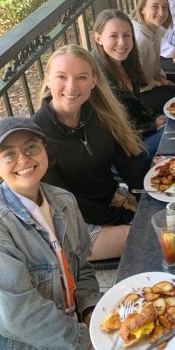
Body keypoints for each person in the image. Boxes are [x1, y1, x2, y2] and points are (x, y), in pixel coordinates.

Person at [0, 116, 102, 350]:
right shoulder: (0, 228)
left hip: (76, 326)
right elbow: (22, 317)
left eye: (31, 146)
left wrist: (91, 312)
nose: (23, 159)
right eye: (9, 154)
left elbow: (84, 271)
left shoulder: (64, 201)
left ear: (45, 149)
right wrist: (87, 341)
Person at [33, 44, 146, 261]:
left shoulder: (101, 113)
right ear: (48, 80)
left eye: (82, 77)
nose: (71, 86)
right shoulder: (38, 137)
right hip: (73, 224)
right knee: (147, 237)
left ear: (94, 81)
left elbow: (126, 159)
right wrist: (126, 216)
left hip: (109, 202)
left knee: (167, 217)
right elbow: (65, 204)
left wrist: (144, 195)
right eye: (61, 77)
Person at [92, 9, 165, 162]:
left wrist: (153, 121)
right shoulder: (97, 78)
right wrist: (152, 127)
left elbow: (135, 108)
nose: (122, 43)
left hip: (139, 133)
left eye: (126, 35)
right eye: (113, 36)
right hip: (124, 154)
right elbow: (114, 132)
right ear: (98, 38)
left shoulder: (126, 62)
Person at [131, 0, 175, 109]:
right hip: (140, 95)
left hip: (152, 82)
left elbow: (155, 66)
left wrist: (161, 79)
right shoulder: (138, 39)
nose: (161, 12)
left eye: (164, 7)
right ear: (142, 9)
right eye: (155, 6)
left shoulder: (155, 29)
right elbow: (137, 80)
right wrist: (159, 83)